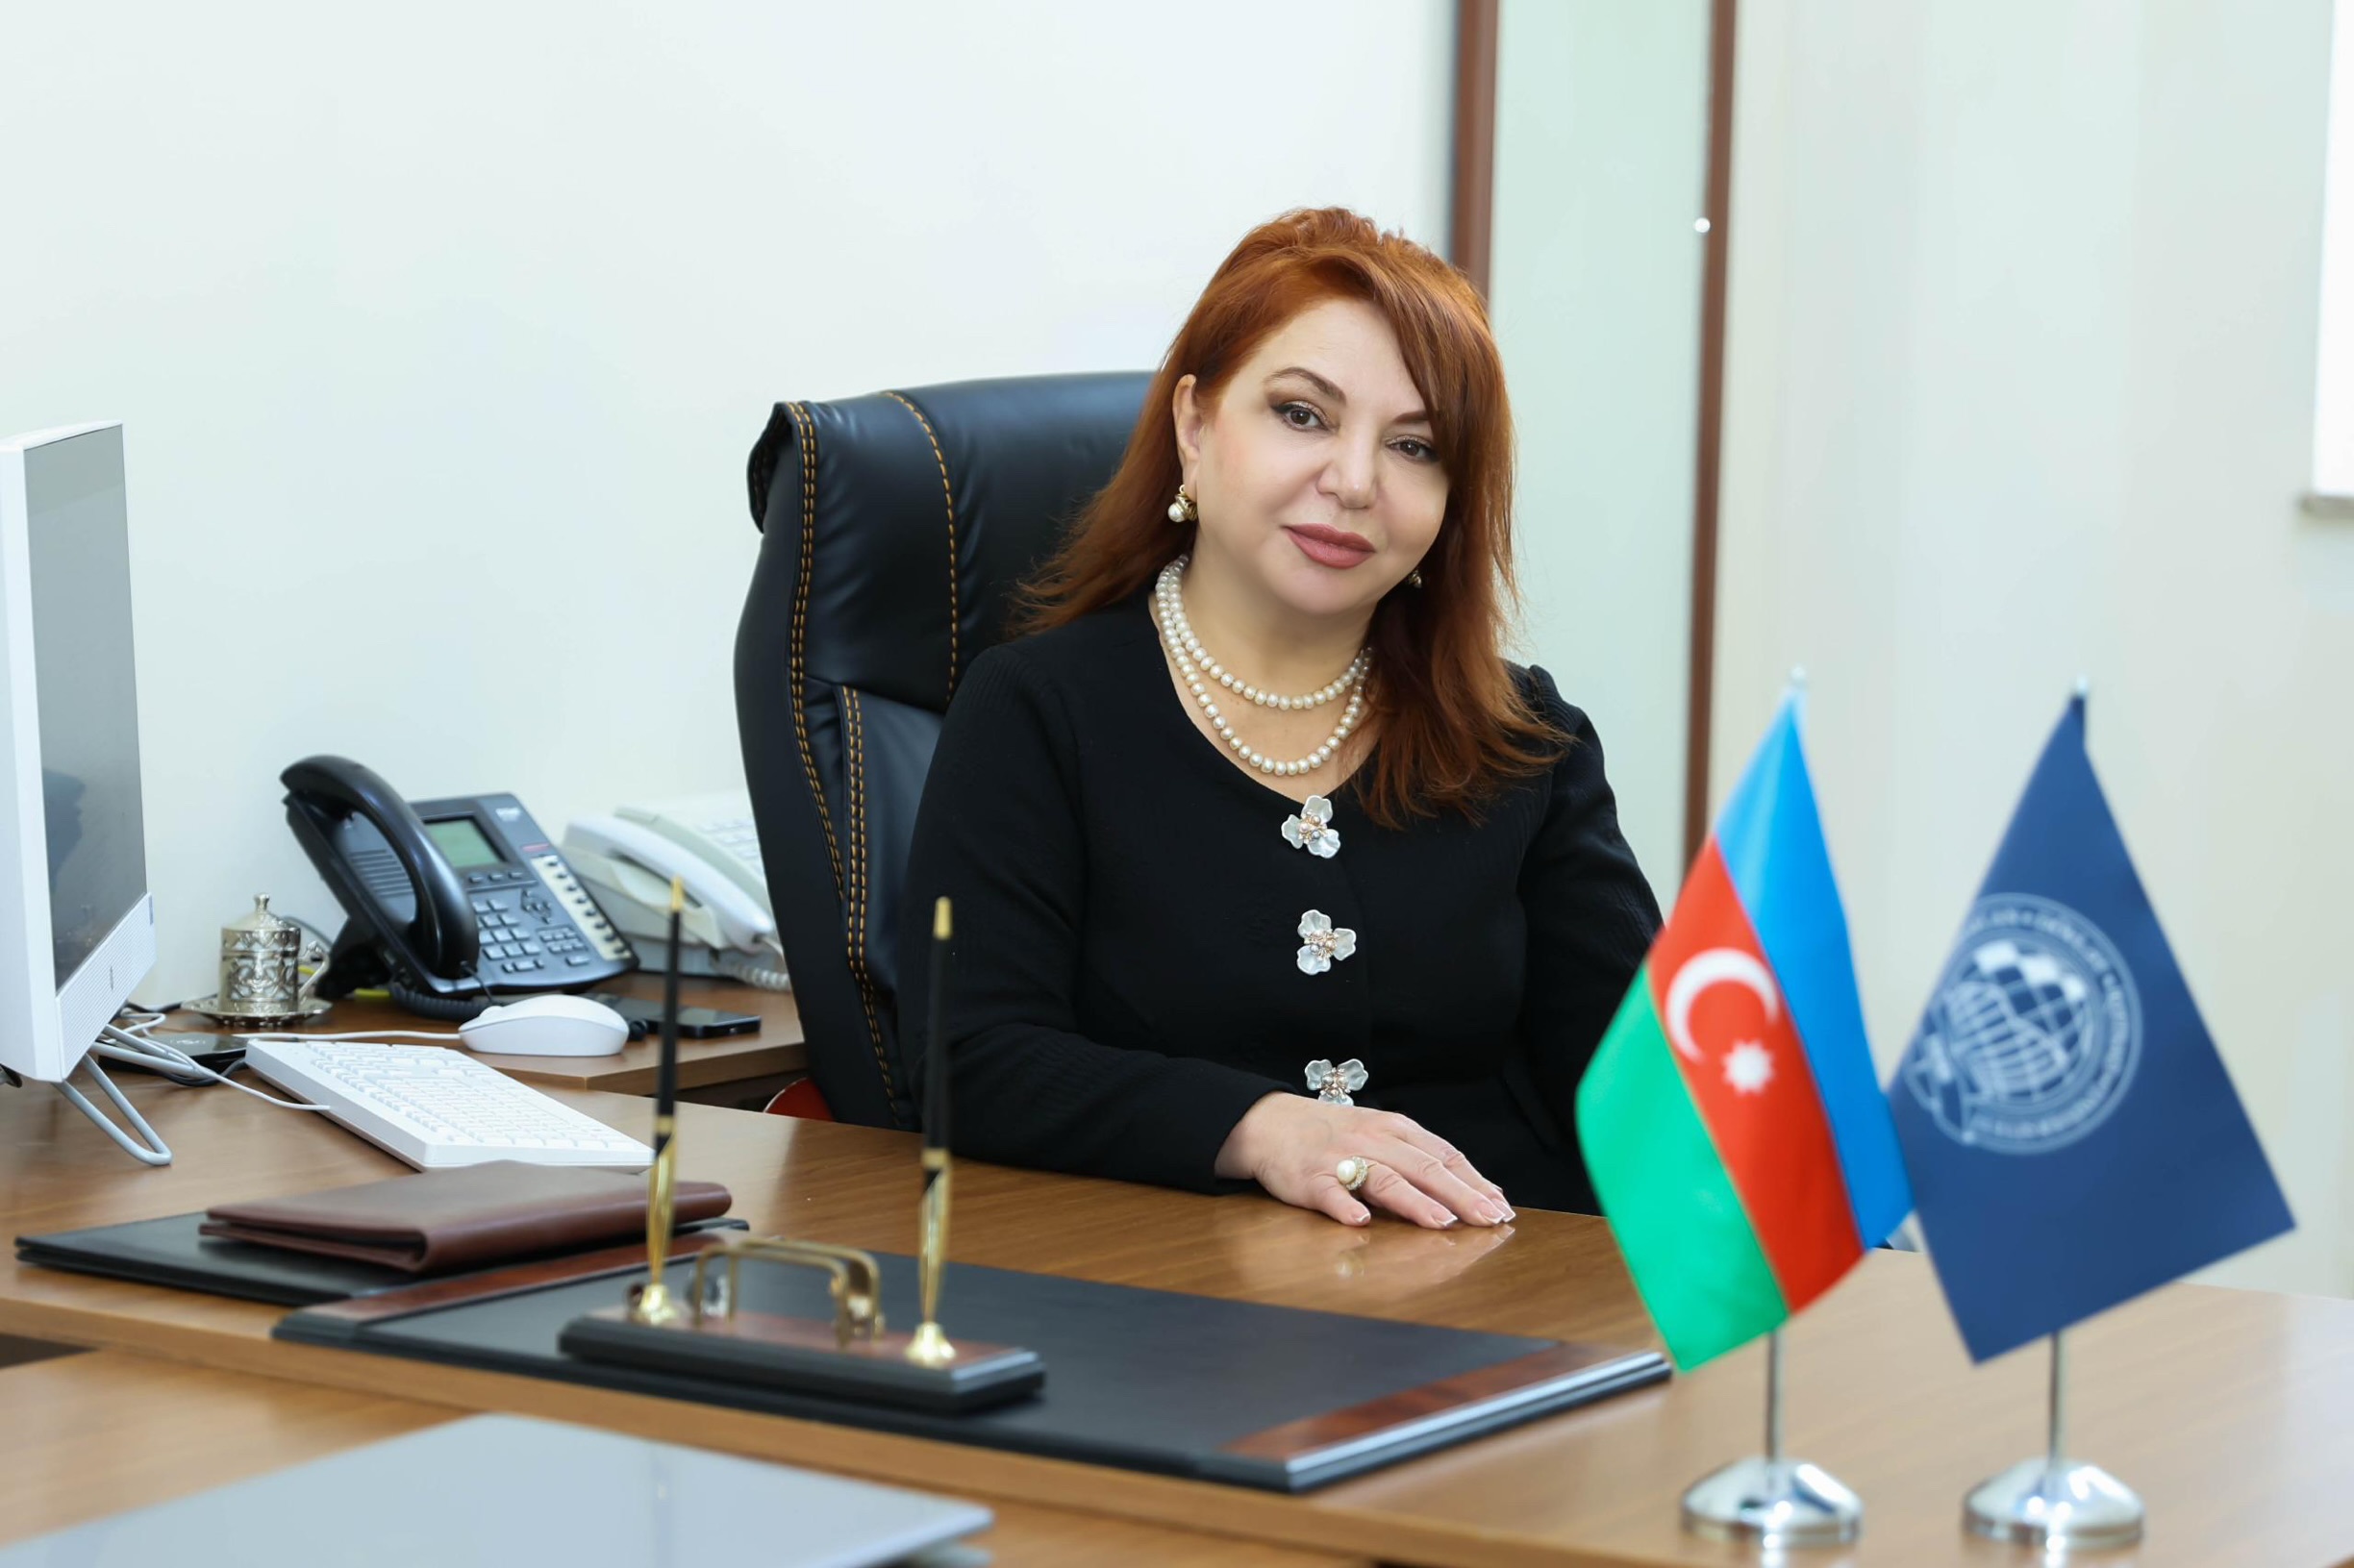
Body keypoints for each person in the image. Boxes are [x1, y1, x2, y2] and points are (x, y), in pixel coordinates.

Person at [899, 208, 1661, 1228]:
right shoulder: (1039, 710)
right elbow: (969, 1060)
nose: (1354, 481)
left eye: (1415, 445)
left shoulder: (1525, 737)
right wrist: (1258, 1126)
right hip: (1170, 1291)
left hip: (1494, 1281)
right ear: (1194, 426)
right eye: (1302, 415)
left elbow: (1648, 1099)